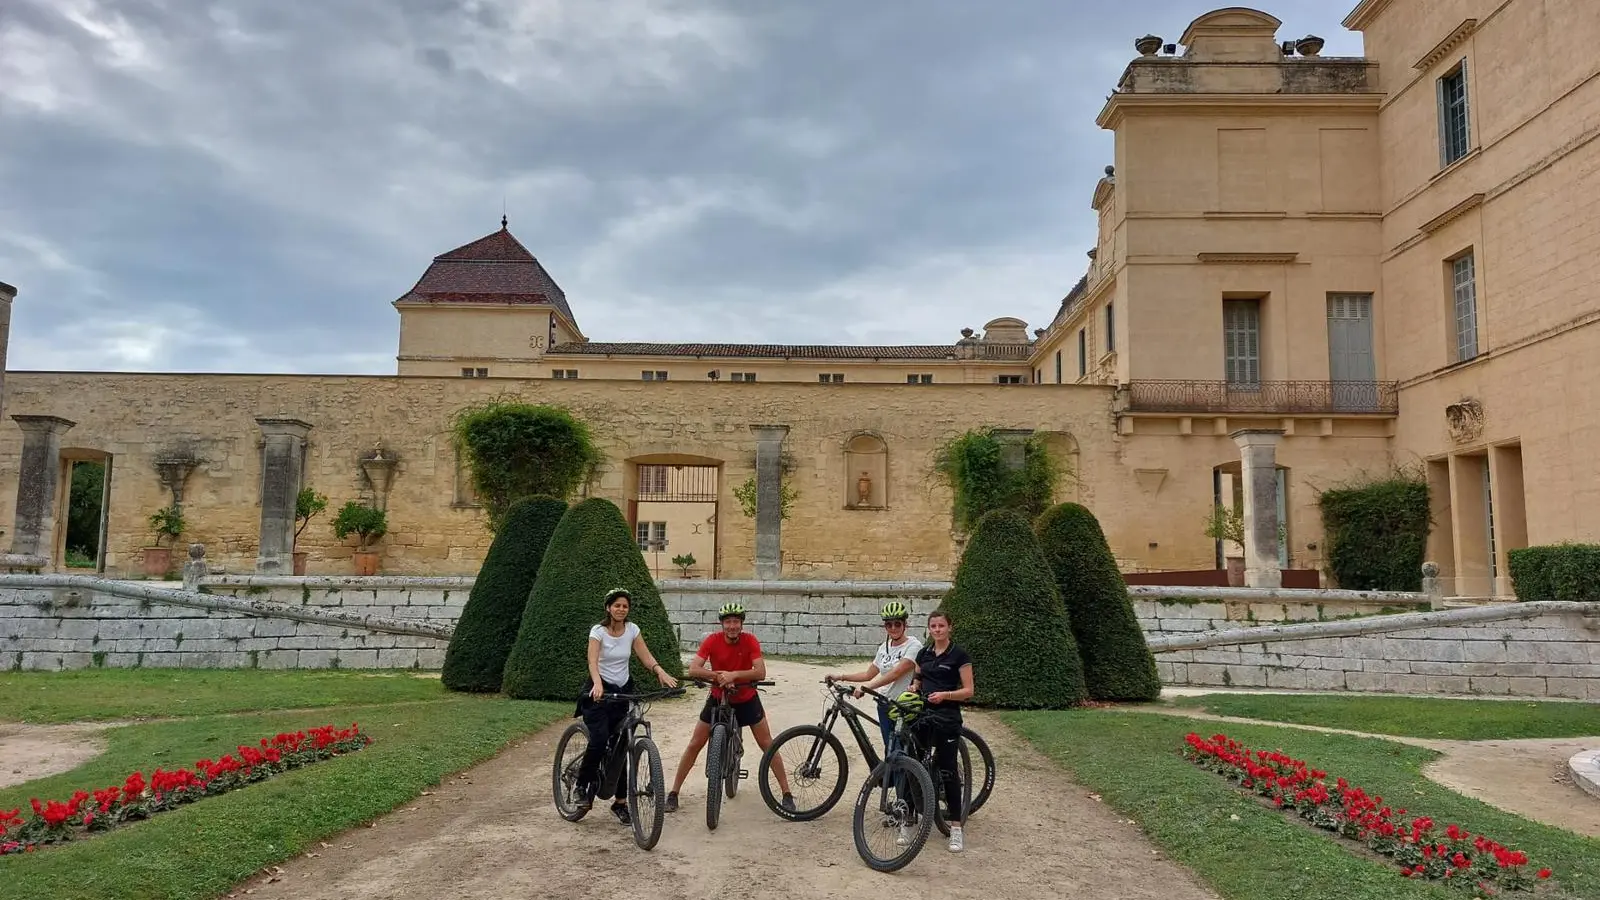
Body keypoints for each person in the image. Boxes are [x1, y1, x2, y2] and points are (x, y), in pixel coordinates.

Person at [664, 602, 795, 814]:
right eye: (728, 622)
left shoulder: (749, 640)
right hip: (718, 696)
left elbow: (760, 672)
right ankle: (674, 792)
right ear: (722, 624)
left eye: (736, 622)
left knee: (766, 743)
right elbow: (694, 668)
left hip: (746, 697)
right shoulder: (712, 640)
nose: (732, 626)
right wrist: (718, 676)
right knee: (695, 743)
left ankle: (786, 792)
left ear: (741, 624)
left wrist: (734, 675)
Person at [574, 588, 679, 824]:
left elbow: (645, 656)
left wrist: (659, 671)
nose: (621, 609)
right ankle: (581, 786)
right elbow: (592, 660)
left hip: (622, 693)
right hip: (599, 694)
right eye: (617, 605)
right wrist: (598, 683)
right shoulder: (598, 631)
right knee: (600, 740)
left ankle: (620, 802)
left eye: (625, 606)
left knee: (622, 745)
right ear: (608, 608)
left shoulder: (632, 630)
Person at [910, 609, 974, 852]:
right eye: (933, 626)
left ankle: (956, 827)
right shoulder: (923, 653)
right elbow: (918, 676)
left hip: (947, 715)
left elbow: (968, 690)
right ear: (929, 629)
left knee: (948, 771)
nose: (937, 630)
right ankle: (914, 814)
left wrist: (945, 695)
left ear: (949, 628)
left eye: (941, 626)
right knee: (916, 763)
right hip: (923, 715)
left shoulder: (959, 655)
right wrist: (915, 687)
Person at [826, 601, 923, 751]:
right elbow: (868, 674)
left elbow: (896, 673)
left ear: (905, 624)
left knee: (899, 752)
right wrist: (840, 676)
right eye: (888, 625)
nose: (893, 628)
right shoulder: (883, 648)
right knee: (889, 748)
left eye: (897, 624)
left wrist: (868, 687)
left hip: (903, 706)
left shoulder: (913, 646)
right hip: (884, 704)